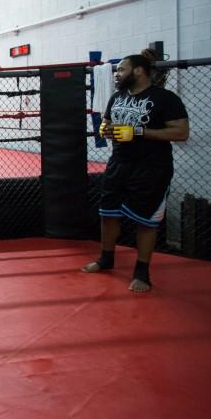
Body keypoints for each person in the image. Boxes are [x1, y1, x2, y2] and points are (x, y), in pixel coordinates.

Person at [82, 49, 189, 292]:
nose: (117, 74)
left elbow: (181, 132)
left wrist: (139, 132)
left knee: (146, 221)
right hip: (119, 163)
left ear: (139, 70)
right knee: (107, 213)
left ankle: (142, 272)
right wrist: (105, 130)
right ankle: (106, 259)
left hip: (151, 168)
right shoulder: (117, 97)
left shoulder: (165, 98)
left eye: (121, 69)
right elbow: (108, 122)